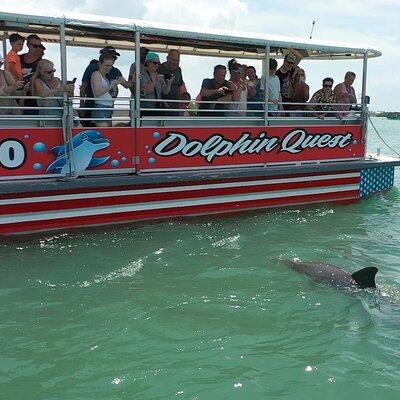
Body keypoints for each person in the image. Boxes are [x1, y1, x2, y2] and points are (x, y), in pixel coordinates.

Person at [79, 46, 131, 127]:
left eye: (114, 57)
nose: (113, 59)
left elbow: (126, 85)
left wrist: (134, 78)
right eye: (110, 56)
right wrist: (82, 105)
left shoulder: (115, 71)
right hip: (93, 106)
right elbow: (84, 87)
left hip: (107, 108)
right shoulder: (93, 69)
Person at [31, 59, 74, 123]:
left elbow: (68, 98)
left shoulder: (58, 80)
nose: (52, 73)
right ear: (41, 72)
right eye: (49, 72)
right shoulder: (38, 81)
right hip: (47, 118)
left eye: (53, 71)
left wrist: (70, 90)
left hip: (63, 117)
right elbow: (42, 93)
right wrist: (61, 89)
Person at [91, 54, 124, 127]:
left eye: (110, 66)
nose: (109, 68)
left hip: (107, 108)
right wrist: (112, 85)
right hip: (101, 108)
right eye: (106, 65)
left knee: (107, 134)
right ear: (100, 64)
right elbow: (97, 93)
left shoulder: (104, 76)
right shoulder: (96, 74)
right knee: (105, 134)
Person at [140, 51, 173, 116]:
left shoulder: (158, 76)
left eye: (158, 63)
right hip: (146, 108)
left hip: (157, 108)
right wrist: (156, 80)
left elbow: (165, 91)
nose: (157, 65)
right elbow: (145, 91)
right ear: (148, 63)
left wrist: (169, 83)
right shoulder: (141, 75)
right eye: (155, 63)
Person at [20, 34, 45, 114]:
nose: (38, 48)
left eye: (39, 46)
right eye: (35, 46)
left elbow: (45, 81)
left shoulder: (42, 63)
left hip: (33, 101)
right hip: (17, 97)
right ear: (28, 45)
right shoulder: (18, 58)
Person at [157, 49, 185, 114]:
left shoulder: (179, 70)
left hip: (175, 107)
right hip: (162, 107)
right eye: (173, 59)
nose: (175, 62)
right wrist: (160, 101)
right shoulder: (159, 68)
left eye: (177, 60)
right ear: (167, 58)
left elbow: (180, 85)